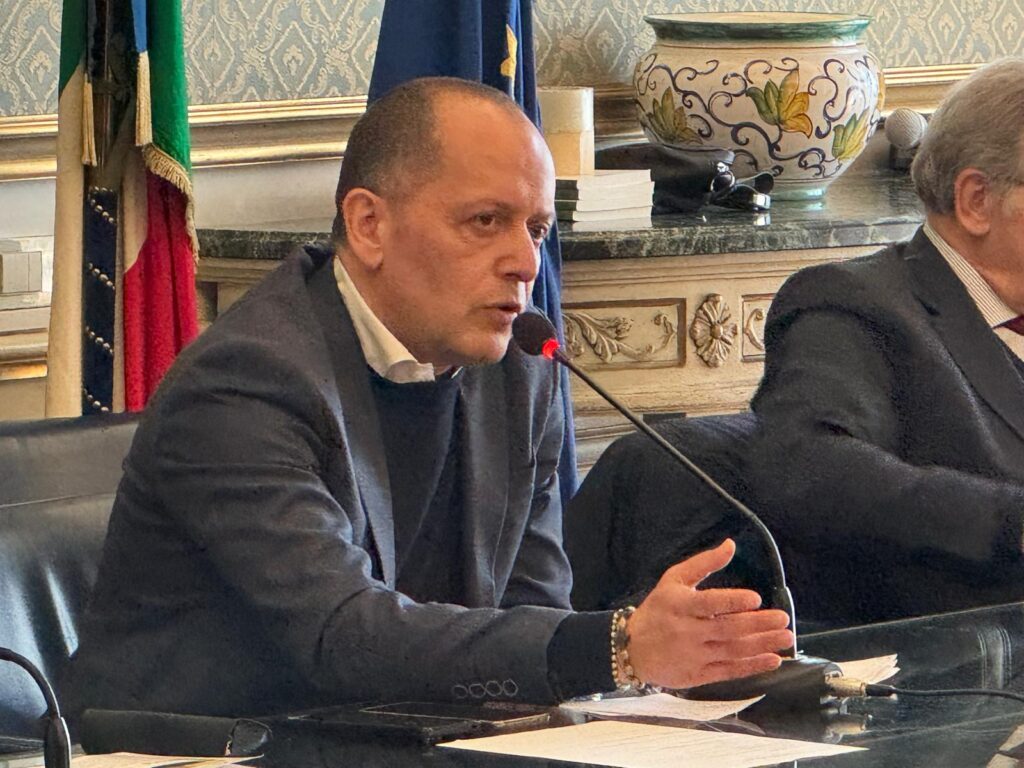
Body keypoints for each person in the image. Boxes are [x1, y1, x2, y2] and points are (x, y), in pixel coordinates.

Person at [66, 77, 792, 719]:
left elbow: (533, 610)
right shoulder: (249, 383)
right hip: (201, 749)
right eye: (485, 222)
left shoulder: (521, 369)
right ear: (369, 225)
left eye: (536, 229)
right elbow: (342, 634)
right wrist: (617, 647)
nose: (525, 263)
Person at [748, 58, 1024, 625]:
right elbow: (807, 470)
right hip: (955, 653)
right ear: (977, 200)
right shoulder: (856, 303)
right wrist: (1012, 523)